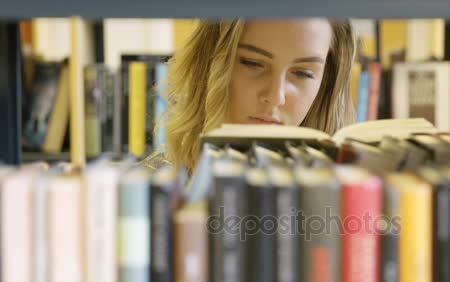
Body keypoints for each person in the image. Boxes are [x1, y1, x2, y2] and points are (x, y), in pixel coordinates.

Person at [145, 18, 356, 172]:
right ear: (209, 63)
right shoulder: (149, 194)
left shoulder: (349, 199)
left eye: (303, 73)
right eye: (253, 63)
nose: (276, 96)